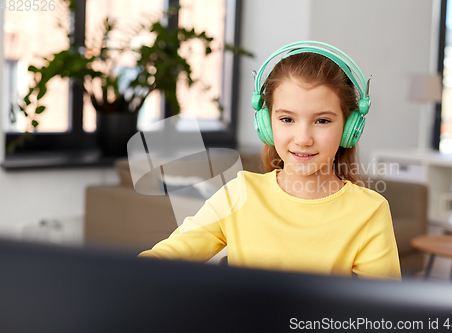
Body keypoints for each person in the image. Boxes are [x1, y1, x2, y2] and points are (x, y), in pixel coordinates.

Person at [139, 41, 401, 280]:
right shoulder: (238, 194)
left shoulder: (369, 212)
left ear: (348, 128)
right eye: (287, 119)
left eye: (322, 121)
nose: (303, 138)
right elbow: (166, 258)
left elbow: (383, 314)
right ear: (266, 125)